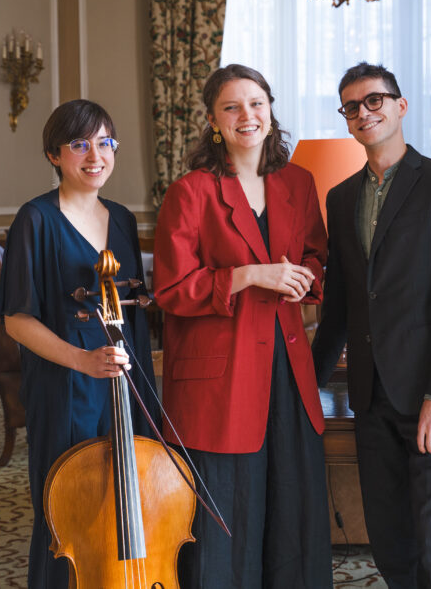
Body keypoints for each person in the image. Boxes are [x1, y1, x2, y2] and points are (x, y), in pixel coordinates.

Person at [152, 64, 333, 588]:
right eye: (231, 107)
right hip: (220, 375)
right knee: (228, 512)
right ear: (214, 121)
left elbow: (317, 257)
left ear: (270, 110)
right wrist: (250, 274)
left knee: (291, 503)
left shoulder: (298, 183)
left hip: (287, 367)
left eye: (256, 103)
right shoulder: (190, 192)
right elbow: (170, 289)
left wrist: (304, 278)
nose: (246, 115)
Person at [311, 62, 431, 588]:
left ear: (400, 106)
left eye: (374, 100)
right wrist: (307, 384)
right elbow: (340, 306)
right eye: (351, 107)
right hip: (371, 395)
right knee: (387, 534)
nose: (363, 112)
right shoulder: (341, 198)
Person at [0, 99, 159, 589]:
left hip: (125, 381)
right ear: (54, 155)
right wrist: (82, 360)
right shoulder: (36, 219)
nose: (95, 155)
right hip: (66, 385)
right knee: (68, 514)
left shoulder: (123, 219)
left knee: (130, 504)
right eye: (79, 144)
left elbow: (131, 311)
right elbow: (16, 320)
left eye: (105, 143)